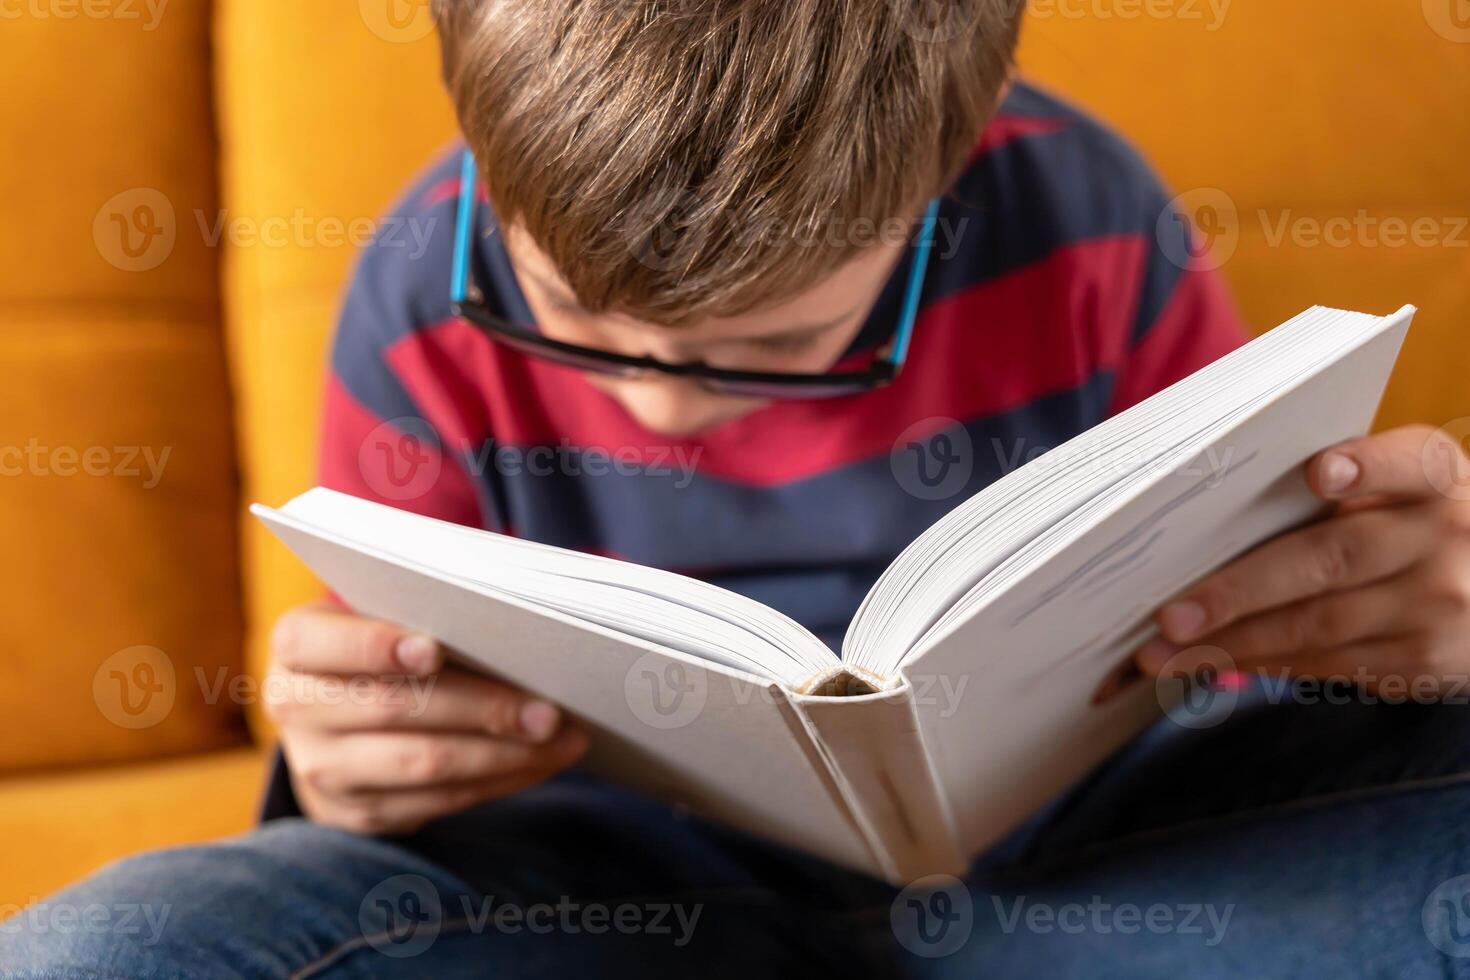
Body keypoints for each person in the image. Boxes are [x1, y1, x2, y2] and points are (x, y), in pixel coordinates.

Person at [7, 1, 1470, 976]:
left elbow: (1225, 643)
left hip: (1081, 890)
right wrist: (343, 761)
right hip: (614, 907)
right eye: (563, 309)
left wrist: (1391, 637)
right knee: (104, 952)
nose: (650, 402)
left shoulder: (1088, 218)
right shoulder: (415, 282)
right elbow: (403, 701)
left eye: (776, 348)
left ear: (941, 171)